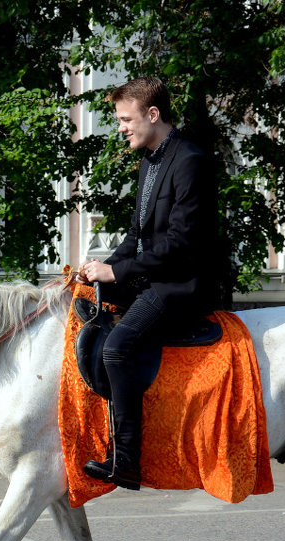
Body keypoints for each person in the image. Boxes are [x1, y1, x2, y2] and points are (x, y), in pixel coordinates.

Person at [75, 76, 222, 491]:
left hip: (181, 284)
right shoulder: (150, 160)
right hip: (154, 278)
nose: (121, 127)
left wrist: (118, 273)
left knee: (119, 348)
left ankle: (126, 463)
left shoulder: (190, 159)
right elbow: (137, 237)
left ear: (152, 115)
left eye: (126, 119)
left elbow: (180, 244)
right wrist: (104, 265)